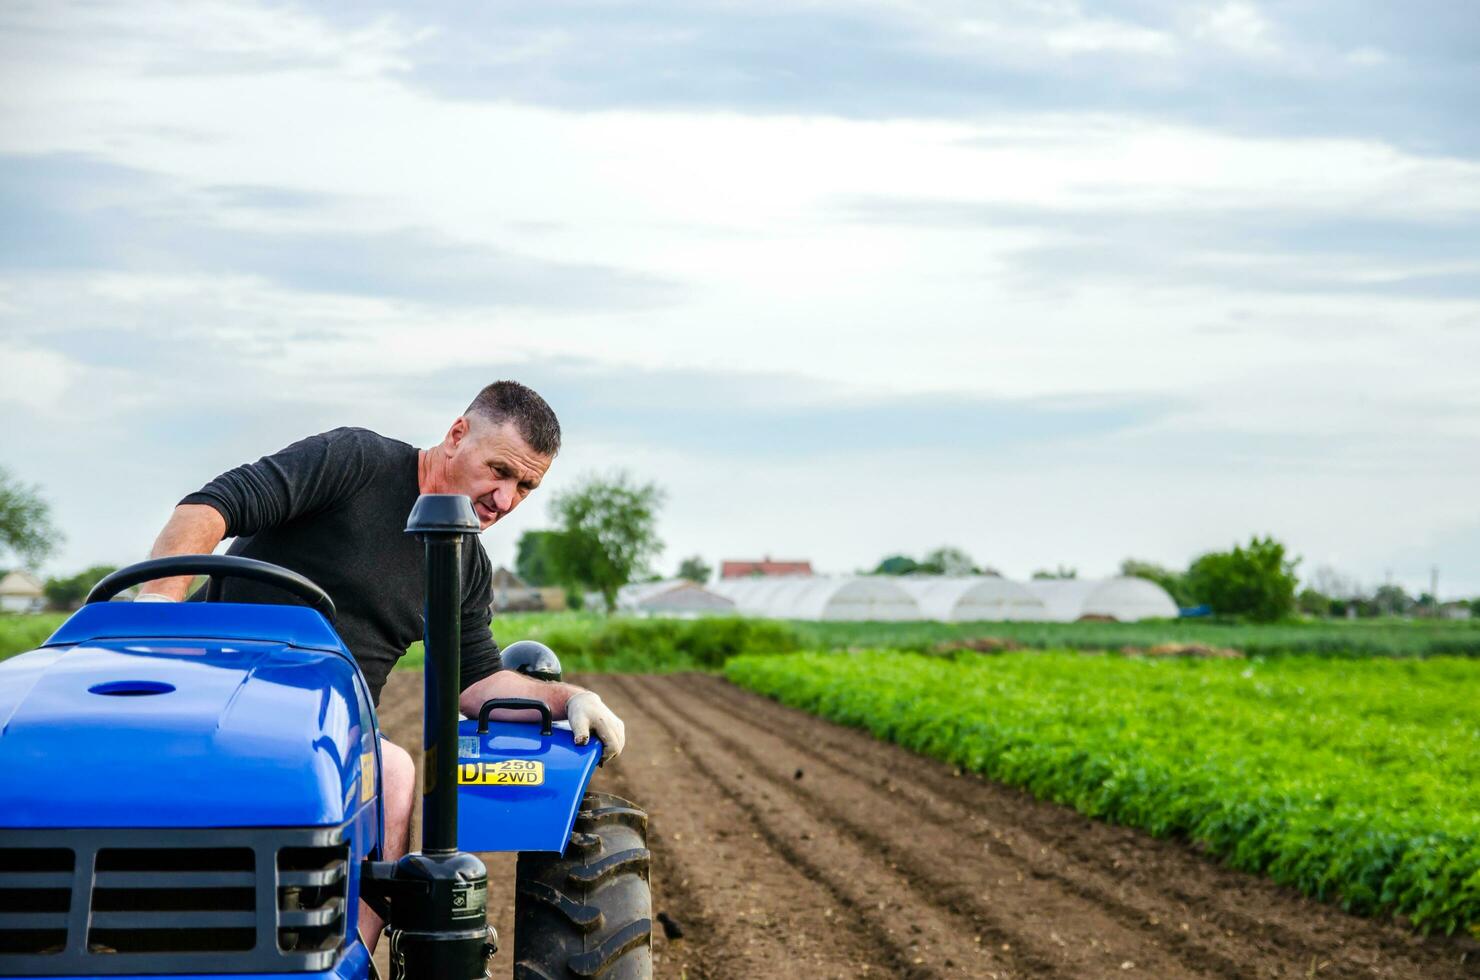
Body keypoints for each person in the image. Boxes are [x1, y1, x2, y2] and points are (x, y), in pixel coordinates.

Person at [135, 380, 626, 950]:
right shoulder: (357, 462)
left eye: (526, 486)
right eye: (499, 470)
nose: (506, 498)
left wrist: (570, 700)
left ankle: (352, 958)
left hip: (330, 726)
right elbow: (213, 506)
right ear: (457, 435)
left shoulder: (463, 562)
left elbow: (478, 682)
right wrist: (156, 613)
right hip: (220, 686)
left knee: (393, 774)